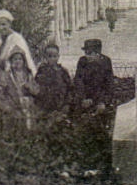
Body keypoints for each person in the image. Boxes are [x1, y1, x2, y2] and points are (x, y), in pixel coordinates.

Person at [71, 39, 119, 175]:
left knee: (101, 133)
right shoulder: (82, 62)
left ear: (99, 53)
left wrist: (103, 102)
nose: (88, 55)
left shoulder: (105, 62)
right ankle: (85, 165)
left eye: (91, 53)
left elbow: (109, 84)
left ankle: (102, 166)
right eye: (86, 52)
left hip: (100, 104)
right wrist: (83, 98)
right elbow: (78, 81)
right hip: (85, 103)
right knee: (84, 132)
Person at [0, 9, 35, 134]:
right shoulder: (0, 39)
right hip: (6, 75)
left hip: (18, 74)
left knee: (21, 107)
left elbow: (19, 58)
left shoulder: (15, 38)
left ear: (9, 24)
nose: (1, 27)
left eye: (4, 24)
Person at [29, 43, 73, 124]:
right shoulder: (42, 71)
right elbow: (37, 88)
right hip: (45, 107)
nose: (52, 59)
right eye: (49, 56)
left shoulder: (63, 72)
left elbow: (69, 89)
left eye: (55, 56)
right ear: (45, 57)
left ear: (58, 56)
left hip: (61, 106)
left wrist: (67, 104)